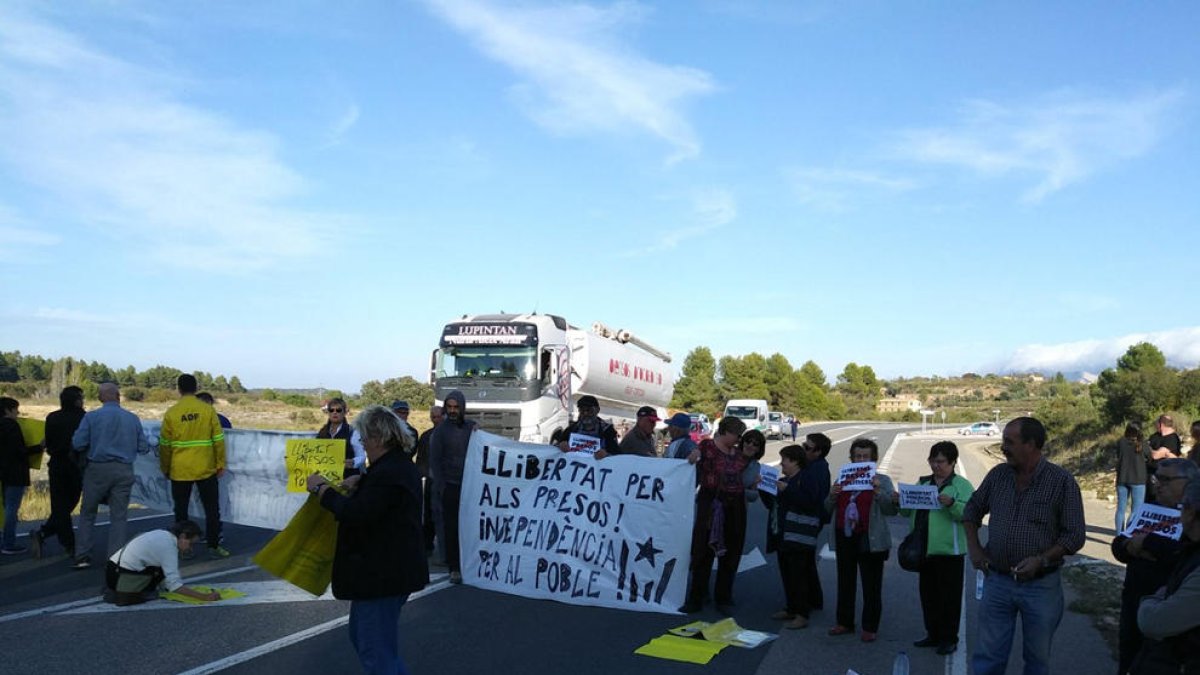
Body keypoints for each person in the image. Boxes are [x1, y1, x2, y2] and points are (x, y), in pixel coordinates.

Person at [307, 405, 427, 674]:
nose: (361, 443)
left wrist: (322, 490)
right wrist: (360, 480)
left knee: (376, 650)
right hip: (384, 573)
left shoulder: (389, 472)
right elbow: (380, 500)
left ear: (378, 438)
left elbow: (358, 513)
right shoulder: (392, 466)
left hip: (383, 575)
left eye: (363, 437)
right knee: (367, 641)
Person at [963, 416, 1086, 675]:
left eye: (1009, 441)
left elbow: (1074, 535)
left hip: (1041, 587)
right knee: (987, 657)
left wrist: (1041, 560)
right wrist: (974, 549)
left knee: (1037, 660)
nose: (1003, 447)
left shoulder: (1061, 482)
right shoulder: (998, 475)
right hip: (997, 581)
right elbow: (972, 510)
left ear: (1031, 444)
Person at [1113, 458, 1197, 675]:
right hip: (1133, 600)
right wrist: (1133, 548)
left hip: (1170, 612)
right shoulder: (1149, 508)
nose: (1157, 484)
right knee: (1128, 659)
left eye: (1166, 479)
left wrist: (1146, 542)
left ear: (1189, 482)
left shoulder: (1193, 517)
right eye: (1156, 478)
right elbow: (1119, 546)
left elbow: (1181, 553)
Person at [897, 441, 975, 655]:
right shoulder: (923, 484)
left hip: (950, 551)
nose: (936, 466)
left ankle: (949, 638)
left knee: (949, 598)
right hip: (924, 549)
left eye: (941, 461)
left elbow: (969, 515)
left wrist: (952, 504)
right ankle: (932, 634)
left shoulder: (962, 486)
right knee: (928, 596)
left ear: (952, 462)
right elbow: (906, 513)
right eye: (933, 461)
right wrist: (899, 501)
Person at [826, 437, 898, 643]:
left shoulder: (882, 480)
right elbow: (827, 509)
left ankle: (870, 626)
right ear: (852, 458)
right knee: (845, 581)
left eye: (865, 456)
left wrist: (879, 492)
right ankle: (844, 622)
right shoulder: (842, 478)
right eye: (857, 456)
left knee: (871, 584)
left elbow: (891, 510)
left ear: (873, 459)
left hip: (870, 538)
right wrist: (832, 495)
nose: (861, 459)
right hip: (845, 536)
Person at [69, 383, 148, 569]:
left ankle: (83, 555)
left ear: (100, 398)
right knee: (119, 516)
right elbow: (143, 447)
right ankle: (115, 558)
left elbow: (78, 443)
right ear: (118, 396)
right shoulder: (132, 418)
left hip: (97, 468)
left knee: (88, 512)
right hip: (124, 469)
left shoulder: (91, 417)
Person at [680, 416, 750, 614]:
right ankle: (697, 596)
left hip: (734, 504)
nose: (738, 439)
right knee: (703, 549)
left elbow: (749, 470)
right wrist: (692, 457)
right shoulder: (707, 447)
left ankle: (724, 597)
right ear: (725, 432)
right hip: (711, 502)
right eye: (736, 434)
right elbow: (693, 461)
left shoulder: (738, 452)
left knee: (731, 550)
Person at [1132, 478, 1200, 674]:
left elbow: (1154, 622)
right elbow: (1121, 544)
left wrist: (1153, 599)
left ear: (1190, 512)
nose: (1159, 485)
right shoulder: (1191, 548)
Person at [159, 374, 229, 559]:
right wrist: (220, 464)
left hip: (180, 470)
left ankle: (183, 549)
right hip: (206, 468)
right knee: (212, 510)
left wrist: (165, 467)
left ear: (179, 389)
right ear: (196, 388)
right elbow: (219, 440)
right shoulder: (207, 411)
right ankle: (213, 546)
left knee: (181, 512)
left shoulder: (172, 413)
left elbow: (165, 445)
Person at [763, 443, 827, 629]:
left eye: (784, 460)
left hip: (799, 535)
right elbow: (771, 504)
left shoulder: (807, 478)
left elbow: (810, 503)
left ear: (795, 461)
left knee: (799, 575)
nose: (782, 464)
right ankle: (791, 607)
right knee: (788, 573)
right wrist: (763, 487)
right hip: (784, 534)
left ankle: (802, 613)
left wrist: (787, 490)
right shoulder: (787, 480)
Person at [105, 520, 221, 605]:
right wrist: (204, 597)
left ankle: (127, 589)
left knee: (160, 569)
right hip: (121, 575)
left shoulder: (162, 534)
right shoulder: (168, 547)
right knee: (162, 573)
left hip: (112, 569)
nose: (190, 549)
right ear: (182, 536)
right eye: (191, 544)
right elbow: (174, 585)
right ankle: (133, 593)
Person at [31, 386, 87, 559]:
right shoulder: (84, 418)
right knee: (70, 503)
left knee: (60, 504)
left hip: (56, 464)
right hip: (76, 465)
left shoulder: (52, 417)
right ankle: (69, 544)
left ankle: (45, 533)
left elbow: (48, 441)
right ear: (77, 400)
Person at [429, 390, 475, 584]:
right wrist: (441, 486)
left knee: (469, 526)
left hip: (471, 487)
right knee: (451, 528)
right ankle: (454, 567)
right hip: (450, 487)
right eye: (450, 407)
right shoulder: (440, 431)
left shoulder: (472, 428)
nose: (453, 411)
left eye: (456, 407)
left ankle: (470, 564)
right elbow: (435, 461)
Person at [1, 397, 42, 555]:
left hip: (3, 471)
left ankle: (6, 540)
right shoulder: (12, 426)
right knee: (12, 508)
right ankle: (8, 543)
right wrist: (39, 447)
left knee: (7, 507)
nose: (18, 413)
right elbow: (19, 451)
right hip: (15, 472)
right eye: (15, 409)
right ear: (7, 410)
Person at [414, 405, 444, 558]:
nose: (436, 419)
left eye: (439, 416)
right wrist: (422, 475)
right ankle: (427, 545)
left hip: (447, 480)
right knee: (429, 514)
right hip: (431, 480)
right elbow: (421, 458)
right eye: (433, 417)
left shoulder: (450, 434)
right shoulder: (426, 436)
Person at [317, 397, 366, 479]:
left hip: (347, 478)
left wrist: (353, 462)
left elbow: (361, 456)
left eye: (338, 410)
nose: (335, 413)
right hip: (325, 478)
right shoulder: (322, 432)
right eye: (331, 410)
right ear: (328, 412)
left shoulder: (353, 432)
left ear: (344, 413)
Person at [554, 395, 619, 456]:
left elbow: (617, 456)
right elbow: (555, 448)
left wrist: (606, 455)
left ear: (597, 410)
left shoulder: (608, 431)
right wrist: (560, 445)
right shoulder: (571, 429)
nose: (585, 413)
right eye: (582, 410)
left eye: (589, 410)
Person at [1116, 423, 1148, 533]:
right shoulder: (1142, 443)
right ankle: (1129, 533)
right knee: (1136, 510)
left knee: (1121, 509)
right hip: (1138, 479)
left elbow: (1118, 456)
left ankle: (1119, 534)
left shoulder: (1121, 442)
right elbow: (1149, 457)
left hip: (1122, 478)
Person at [1147, 415, 1182, 502]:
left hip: (1164, 476)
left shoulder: (1172, 438)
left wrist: (1150, 450)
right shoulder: (1155, 436)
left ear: (1161, 424)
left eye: (1157, 424)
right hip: (1149, 473)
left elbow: (1156, 455)